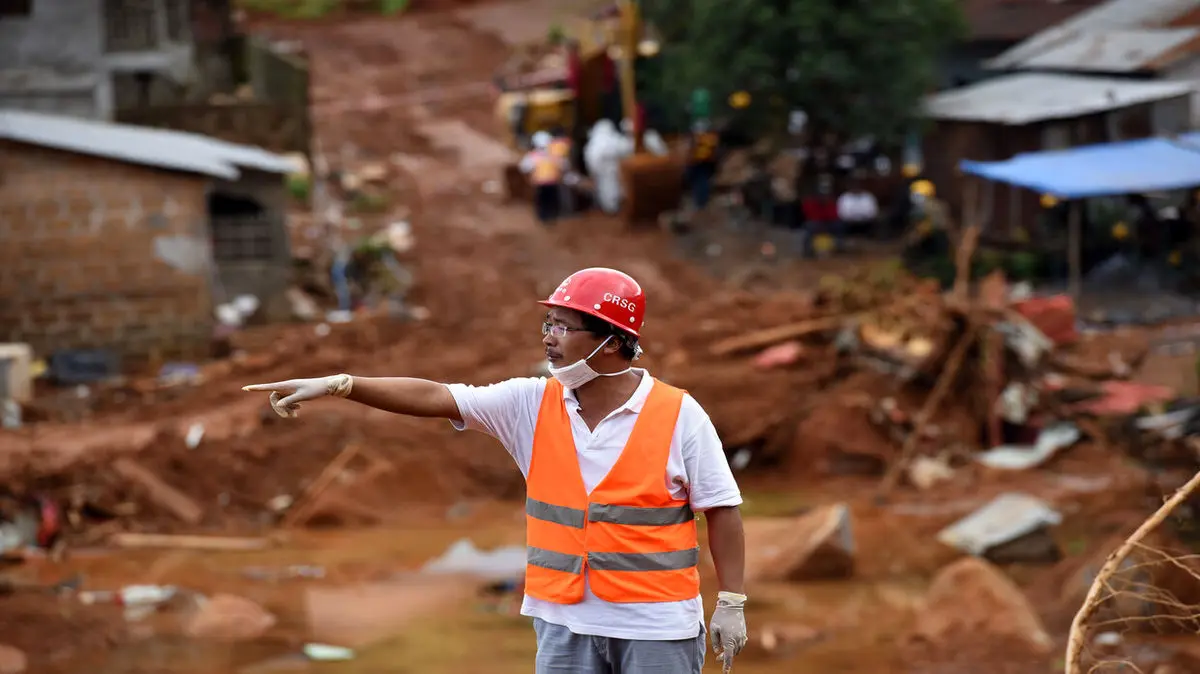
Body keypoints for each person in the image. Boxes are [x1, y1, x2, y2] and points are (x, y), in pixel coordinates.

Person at [242, 267, 749, 674]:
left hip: (656, 627)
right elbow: (437, 395)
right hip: (563, 623)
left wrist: (730, 600)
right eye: (547, 323)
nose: (548, 338)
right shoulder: (530, 404)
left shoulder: (679, 414)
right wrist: (343, 384)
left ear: (612, 341)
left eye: (563, 326)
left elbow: (722, 509)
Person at [521, 131, 567, 225]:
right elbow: (564, 166)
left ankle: (543, 218)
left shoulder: (533, 156)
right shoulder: (554, 155)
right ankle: (553, 218)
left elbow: (523, 167)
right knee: (552, 201)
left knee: (542, 201)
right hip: (553, 183)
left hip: (539, 184)